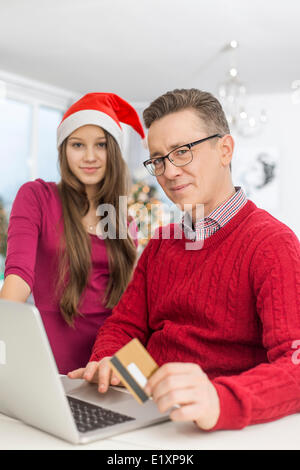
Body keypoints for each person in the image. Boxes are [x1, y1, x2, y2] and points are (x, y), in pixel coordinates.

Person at [68, 89, 300, 431]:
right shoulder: (162, 244)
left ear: (225, 150)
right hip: (149, 416)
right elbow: (124, 327)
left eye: (182, 152)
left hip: (217, 430)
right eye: (159, 159)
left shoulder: (272, 244)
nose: (169, 172)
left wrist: (220, 400)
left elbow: (294, 365)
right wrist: (111, 364)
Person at [0, 92, 145, 374]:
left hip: (107, 365)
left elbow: (130, 308)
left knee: (157, 413)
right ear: (64, 150)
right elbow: (18, 277)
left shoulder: (123, 221)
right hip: (50, 366)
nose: (89, 157)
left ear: (113, 152)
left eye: (101, 145)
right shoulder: (38, 197)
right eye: (78, 144)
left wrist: (137, 375)